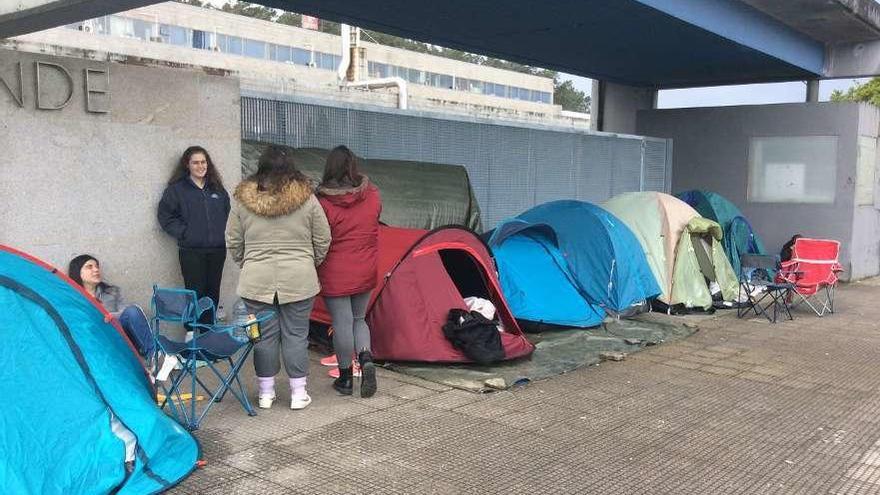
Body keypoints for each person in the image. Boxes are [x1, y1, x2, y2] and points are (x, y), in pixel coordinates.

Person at [226, 145, 331, 411]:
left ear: (260, 167)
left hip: (256, 279)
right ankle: (297, 393)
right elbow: (323, 238)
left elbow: (234, 240)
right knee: (296, 336)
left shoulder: (243, 201)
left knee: (263, 337)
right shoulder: (307, 199)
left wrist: (248, 263)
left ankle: (265, 393)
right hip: (299, 278)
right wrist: (309, 262)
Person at [316, 146, 382, 398]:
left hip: (335, 270)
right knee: (358, 319)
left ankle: (345, 379)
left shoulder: (322, 202)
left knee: (341, 323)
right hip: (365, 266)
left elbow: (319, 237)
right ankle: (365, 358)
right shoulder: (373, 194)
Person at [157, 146, 230, 324]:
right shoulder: (176, 190)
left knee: (213, 294)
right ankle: (191, 336)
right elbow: (165, 217)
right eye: (195, 162)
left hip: (217, 251)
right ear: (187, 165)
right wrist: (185, 233)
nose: (200, 166)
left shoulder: (217, 190)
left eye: (203, 162)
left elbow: (228, 214)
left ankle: (208, 335)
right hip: (191, 252)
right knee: (194, 295)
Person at [68, 254, 154, 358]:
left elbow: (126, 312)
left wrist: (111, 316)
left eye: (97, 266)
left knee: (133, 311)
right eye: (89, 267)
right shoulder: (73, 298)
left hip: (119, 335)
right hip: (96, 341)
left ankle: (155, 356)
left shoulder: (112, 292)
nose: (96, 270)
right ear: (78, 272)